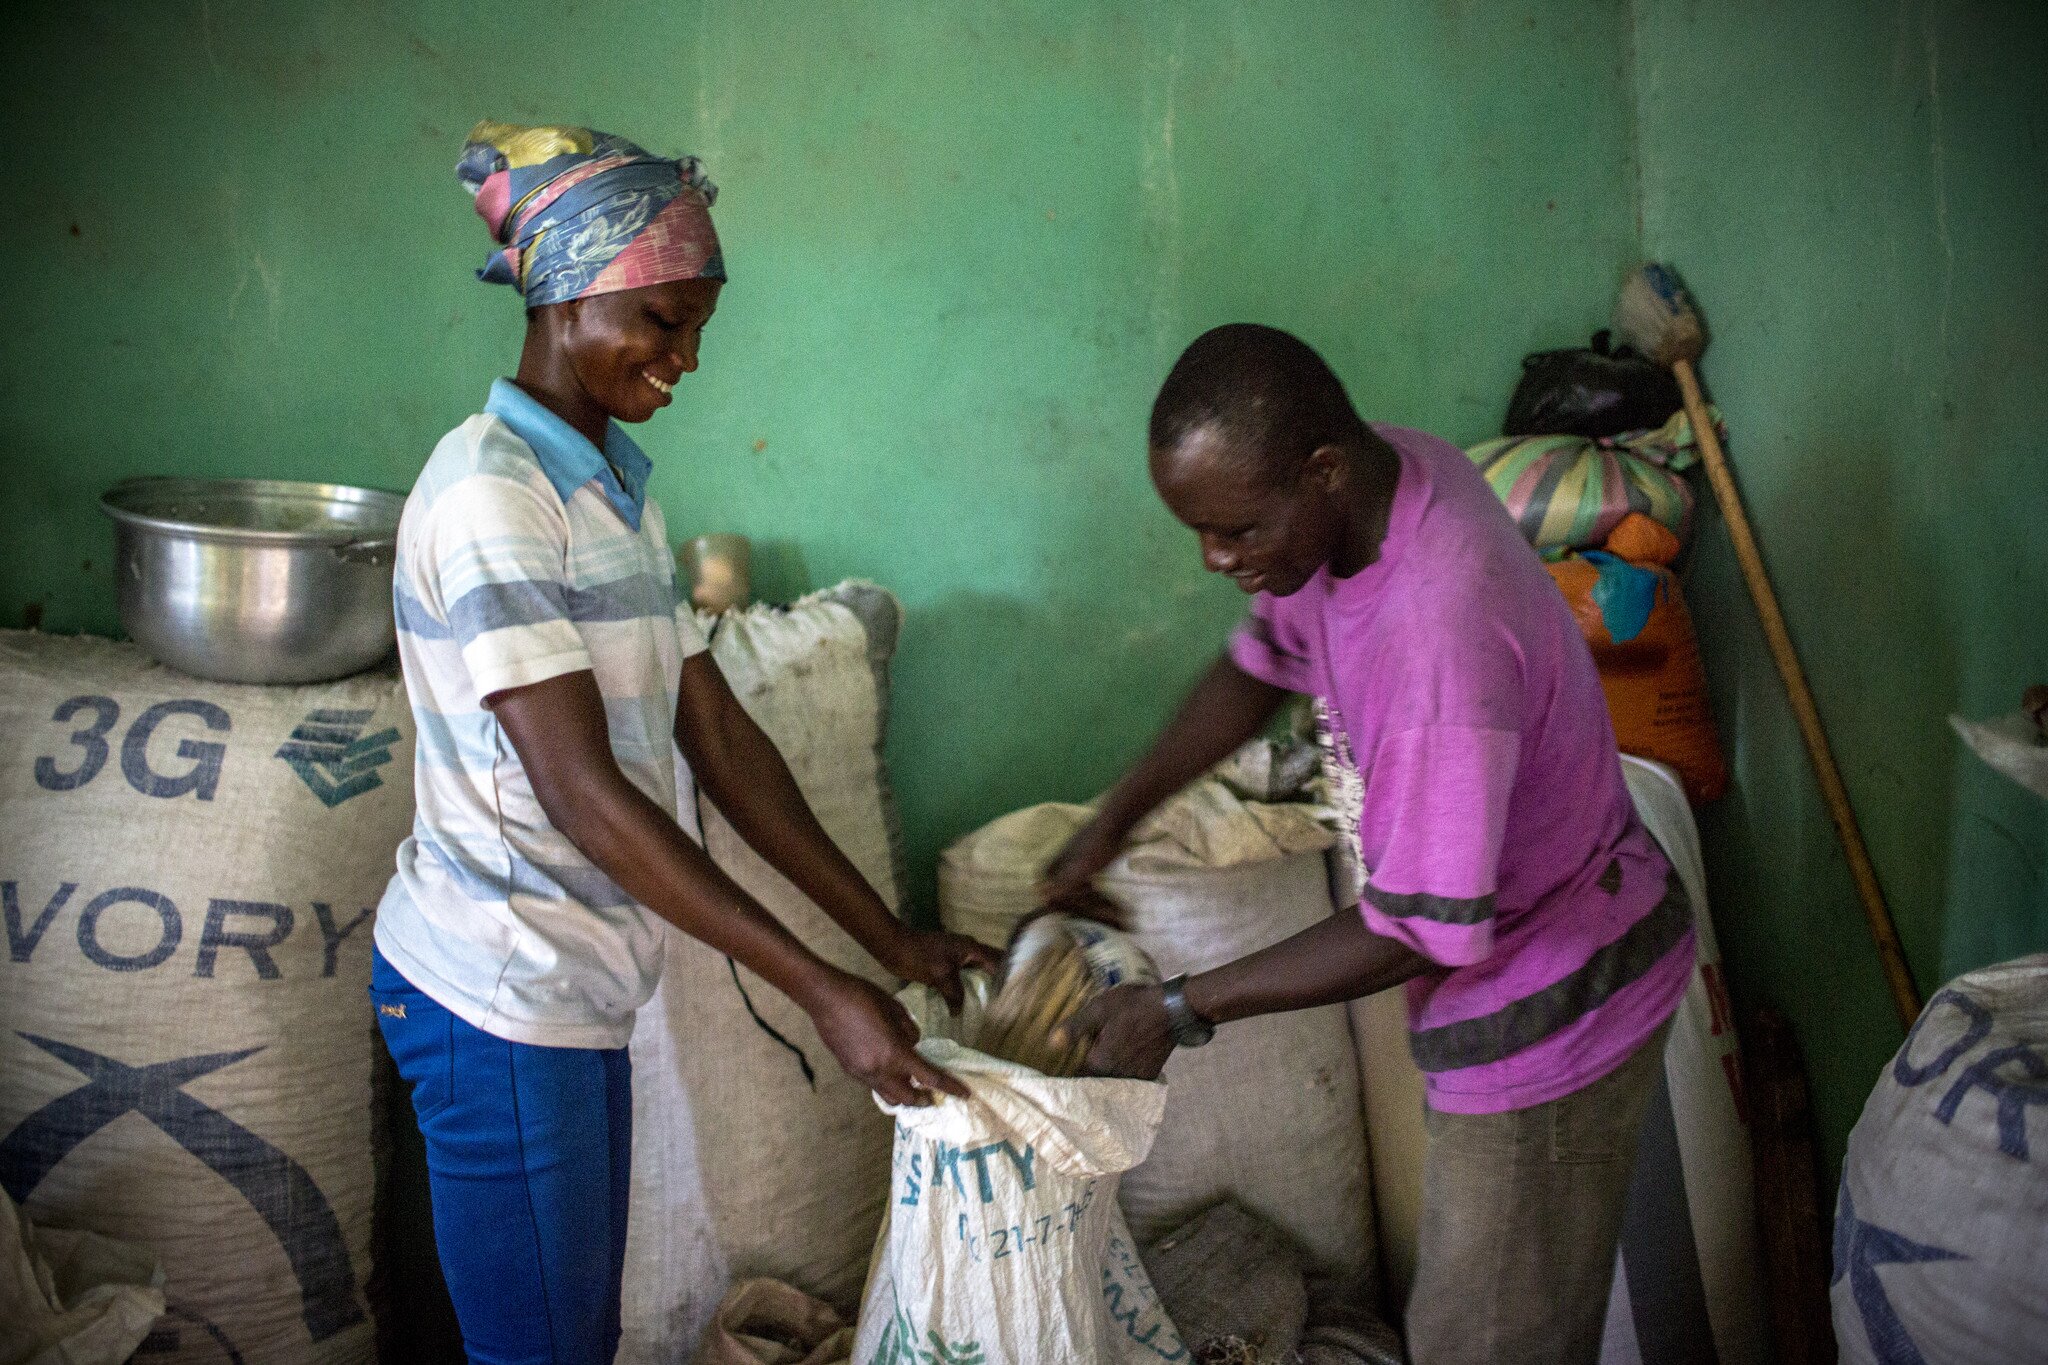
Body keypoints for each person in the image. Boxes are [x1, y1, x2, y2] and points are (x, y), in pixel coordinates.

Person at [371, 121, 996, 1365]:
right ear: (564, 297)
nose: (687, 359)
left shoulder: (612, 488)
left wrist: (886, 940)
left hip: (566, 989)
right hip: (496, 995)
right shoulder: (493, 497)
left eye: (699, 326)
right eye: (662, 321)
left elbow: (717, 732)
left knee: (558, 1338)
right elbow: (583, 796)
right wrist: (822, 993)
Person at [1050, 324, 1694, 1365]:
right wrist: (1110, 823)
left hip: (1552, 1003)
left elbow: (1415, 931)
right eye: (1200, 532)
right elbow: (1258, 666)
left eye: (1235, 531)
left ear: (1320, 472)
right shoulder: (1369, 489)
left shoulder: (1435, 634)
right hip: (1517, 964)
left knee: (1483, 1341)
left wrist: (1179, 1009)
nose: (1216, 559)